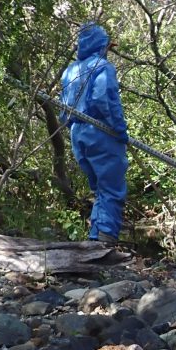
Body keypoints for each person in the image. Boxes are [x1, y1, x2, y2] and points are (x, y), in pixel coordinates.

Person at [60, 23, 129, 243]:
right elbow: (103, 98)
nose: (108, 50)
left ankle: (96, 235)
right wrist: (119, 129)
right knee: (111, 187)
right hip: (100, 132)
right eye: (107, 46)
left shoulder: (69, 71)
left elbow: (64, 106)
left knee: (99, 188)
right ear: (101, 45)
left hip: (77, 133)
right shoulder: (102, 67)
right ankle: (104, 238)